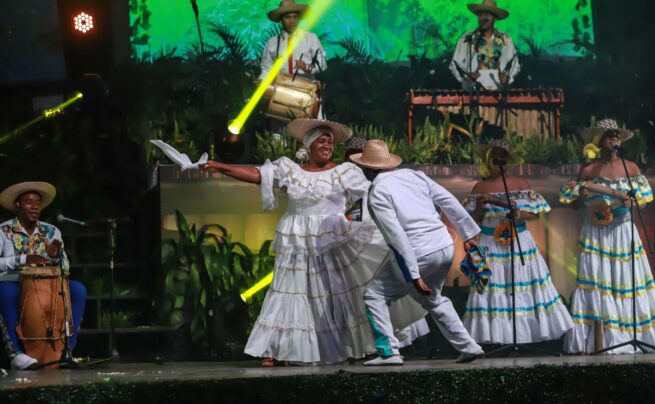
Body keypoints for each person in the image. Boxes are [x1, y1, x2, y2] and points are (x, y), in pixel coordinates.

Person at [202, 119, 423, 365]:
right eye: (322, 140)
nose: (327, 144)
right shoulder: (290, 169)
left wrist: (359, 219)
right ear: (309, 145)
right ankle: (276, 349)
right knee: (289, 292)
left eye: (330, 141)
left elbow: (370, 195)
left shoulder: (345, 172)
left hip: (333, 237)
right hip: (297, 239)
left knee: (341, 293)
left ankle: (362, 345)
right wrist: (219, 166)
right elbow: (257, 175)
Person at [351, 140, 485, 365]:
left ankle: (389, 353)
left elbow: (397, 237)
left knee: (374, 295)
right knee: (433, 299)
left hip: (420, 252)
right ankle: (469, 346)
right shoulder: (414, 175)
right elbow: (448, 200)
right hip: (444, 246)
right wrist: (469, 234)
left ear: (367, 169)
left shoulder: (377, 191)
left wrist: (413, 274)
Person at [560, 118, 655, 354]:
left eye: (616, 134)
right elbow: (574, 205)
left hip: (623, 230)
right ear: (599, 141)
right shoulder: (588, 170)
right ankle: (600, 340)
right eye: (609, 135)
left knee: (628, 281)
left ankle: (634, 336)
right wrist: (582, 196)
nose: (614, 138)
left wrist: (631, 201)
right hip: (596, 233)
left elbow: (643, 204)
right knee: (598, 282)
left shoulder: (631, 168)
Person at [461, 139, 572, 345]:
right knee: (493, 288)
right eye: (495, 155)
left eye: (503, 155)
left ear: (508, 159)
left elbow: (535, 214)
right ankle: (495, 338)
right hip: (489, 241)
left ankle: (523, 337)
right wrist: (479, 207)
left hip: (518, 240)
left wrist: (519, 214)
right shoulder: (479, 186)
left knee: (521, 285)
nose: (499, 159)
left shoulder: (520, 184)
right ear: (488, 159)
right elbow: (471, 220)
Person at [0, 182, 87, 370]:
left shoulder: (51, 231)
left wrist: (54, 257)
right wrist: (22, 259)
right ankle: (15, 353)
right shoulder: (3, 231)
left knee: (78, 290)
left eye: (38, 203)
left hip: (48, 285)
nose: (35, 207)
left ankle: (67, 350)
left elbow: (65, 265)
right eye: (29, 202)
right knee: (5, 292)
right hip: (14, 283)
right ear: (17, 205)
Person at [449, 0, 520, 91]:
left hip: (499, 92)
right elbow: (454, 64)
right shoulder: (467, 38)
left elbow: (515, 64)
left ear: (495, 18)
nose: (483, 18)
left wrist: (508, 77)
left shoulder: (506, 39)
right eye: (480, 15)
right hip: (473, 92)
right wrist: (465, 77)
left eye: (487, 15)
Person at [260, 0, 327, 81]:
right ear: (281, 20)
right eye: (287, 17)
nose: (292, 21)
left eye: (295, 17)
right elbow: (266, 69)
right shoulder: (272, 42)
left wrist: (306, 67)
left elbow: (322, 65)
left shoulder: (311, 38)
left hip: (307, 87)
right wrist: (261, 81)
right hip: (282, 88)